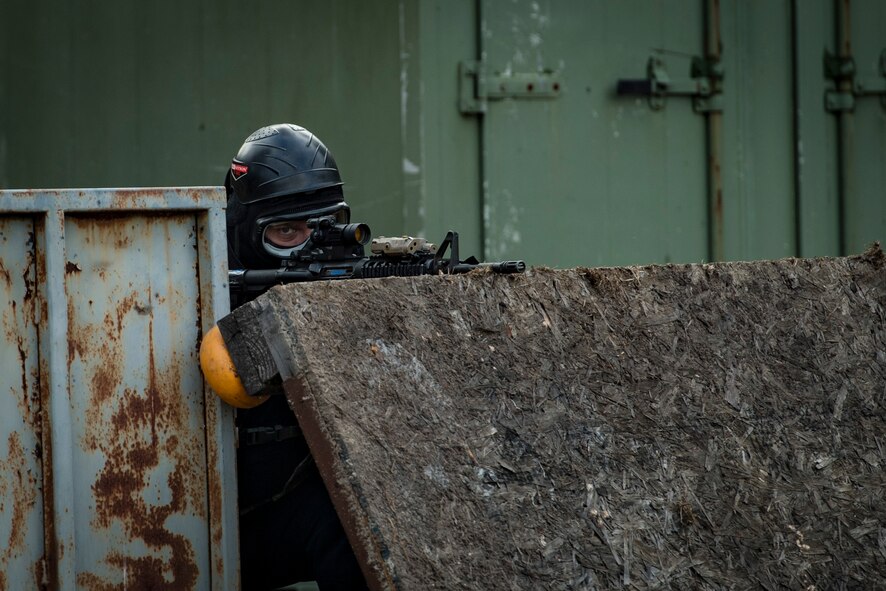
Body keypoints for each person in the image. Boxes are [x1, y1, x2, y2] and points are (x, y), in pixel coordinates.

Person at [224, 123, 369, 590]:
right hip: (219, 520)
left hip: (300, 506)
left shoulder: (344, 288)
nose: (308, 248)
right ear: (245, 232)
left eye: (324, 229)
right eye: (286, 231)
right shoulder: (198, 296)